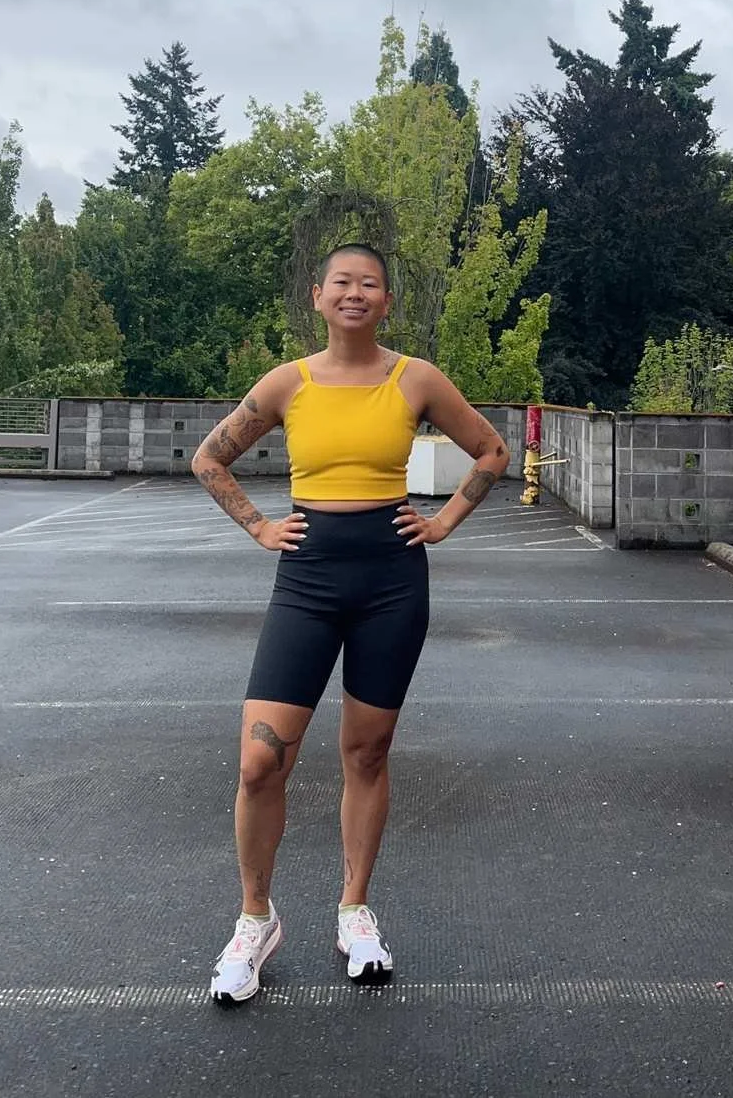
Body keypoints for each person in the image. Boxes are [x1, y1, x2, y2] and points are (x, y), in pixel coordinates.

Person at [192, 243, 510, 1004]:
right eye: (343, 282)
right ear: (318, 295)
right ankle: (254, 920)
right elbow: (210, 459)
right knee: (259, 762)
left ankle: (354, 910)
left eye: (370, 283)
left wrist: (445, 521)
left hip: (392, 581)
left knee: (367, 752)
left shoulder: (416, 379)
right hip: (307, 579)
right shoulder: (288, 383)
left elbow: (493, 450)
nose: (356, 293)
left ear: (386, 300)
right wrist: (260, 527)